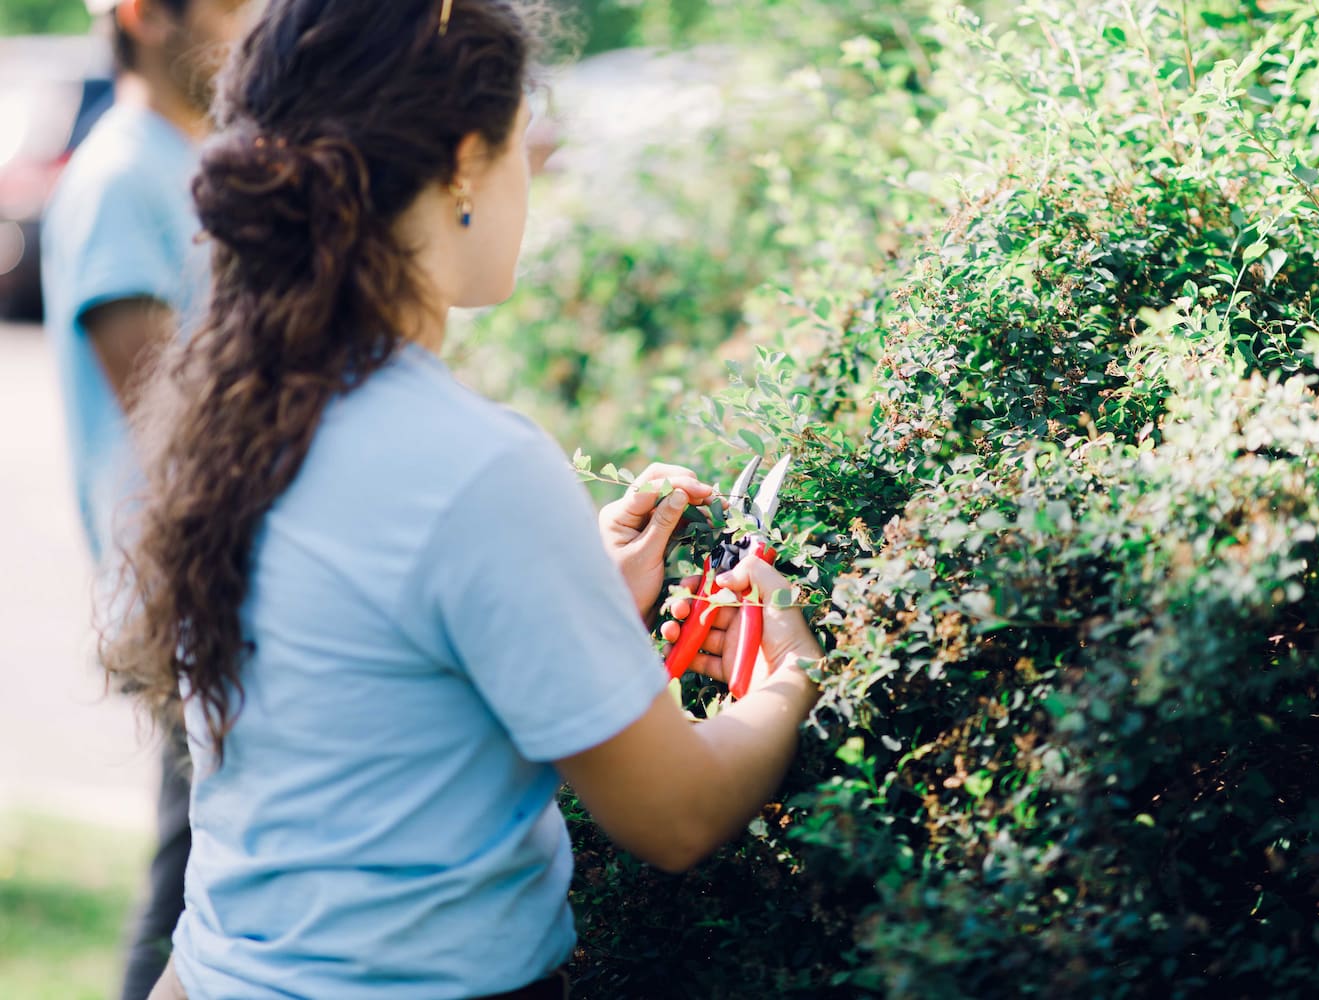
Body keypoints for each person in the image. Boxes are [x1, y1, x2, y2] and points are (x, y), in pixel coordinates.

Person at [100, 1, 827, 997]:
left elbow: (354, 739)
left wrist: (577, 602)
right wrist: (788, 674)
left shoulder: (228, 433)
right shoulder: (473, 468)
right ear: (463, 164)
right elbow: (679, 814)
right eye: (525, 140)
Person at [39, 3, 257, 998]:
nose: (252, 17)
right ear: (141, 14)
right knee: (189, 893)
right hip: (195, 598)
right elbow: (173, 426)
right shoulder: (124, 173)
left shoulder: (192, 157)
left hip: (226, 586)